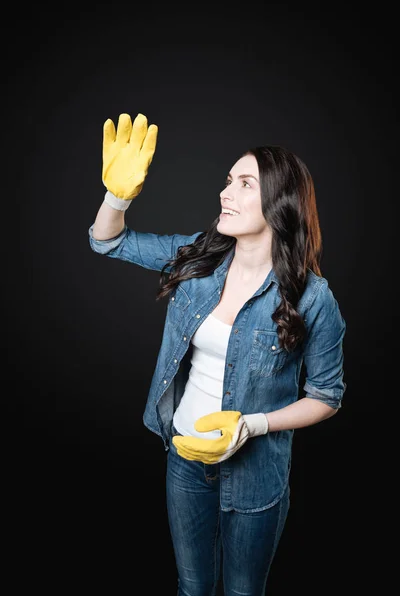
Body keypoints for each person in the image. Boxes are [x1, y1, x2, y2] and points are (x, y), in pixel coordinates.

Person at [88, 111, 347, 595]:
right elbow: (107, 241)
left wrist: (254, 424)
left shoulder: (313, 298)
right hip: (184, 459)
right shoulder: (198, 255)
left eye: (245, 183)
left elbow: (327, 396)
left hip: (256, 477)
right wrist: (116, 197)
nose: (226, 193)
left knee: (244, 592)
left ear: (280, 202)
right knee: (192, 588)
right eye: (228, 181)